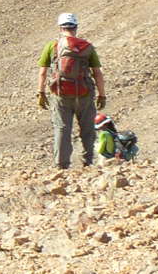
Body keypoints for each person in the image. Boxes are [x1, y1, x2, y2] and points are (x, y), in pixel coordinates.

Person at [36, 12, 107, 169]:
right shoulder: (86, 46)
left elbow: (42, 72)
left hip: (60, 93)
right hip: (84, 94)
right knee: (87, 129)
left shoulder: (52, 46)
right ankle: (88, 162)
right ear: (75, 27)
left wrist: (40, 93)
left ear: (60, 28)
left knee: (62, 129)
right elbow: (97, 73)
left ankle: (62, 166)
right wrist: (102, 95)